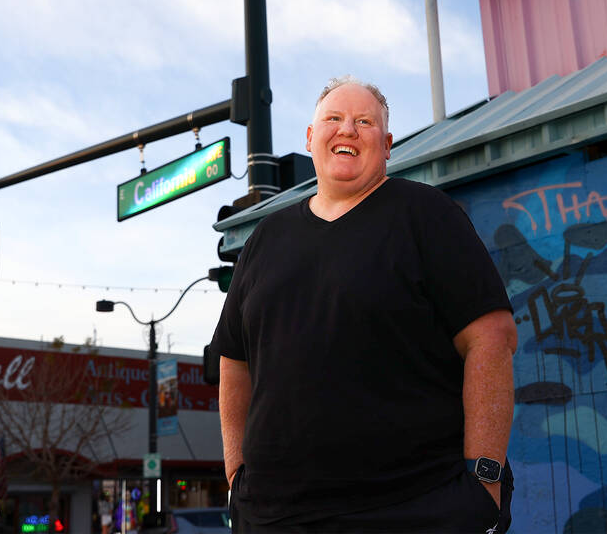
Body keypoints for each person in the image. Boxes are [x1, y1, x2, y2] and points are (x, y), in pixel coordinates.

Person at [212, 76, 517, 532]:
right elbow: (234, 361)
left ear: (388, 144)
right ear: (312, 138)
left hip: (414, 508)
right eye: (333, 119)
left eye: (364, 121)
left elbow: (492, 339)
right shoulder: (264, 240)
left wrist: (484, 480)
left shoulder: (427, 214)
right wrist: (236, 476)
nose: (348, 130)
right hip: (273, 516)